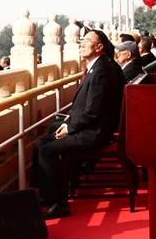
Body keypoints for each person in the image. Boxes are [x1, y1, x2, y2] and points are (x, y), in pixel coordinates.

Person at [31, 29, 123, 219]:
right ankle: (47, 197)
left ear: (99, 47)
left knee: (47, 150)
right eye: (81, 40)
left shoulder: (102, 71)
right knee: (40, 143)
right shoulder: (98, 67)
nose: (81, 44)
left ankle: (59, 203)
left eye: (87, 41)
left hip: (94, 132)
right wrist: (68, 122)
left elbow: (94, 111)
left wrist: (70, 127)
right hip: (89, 126)